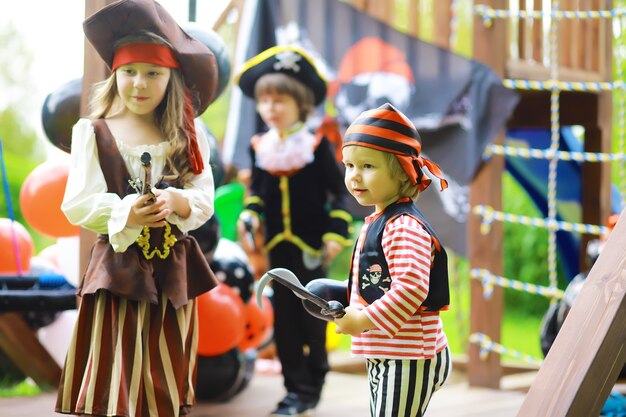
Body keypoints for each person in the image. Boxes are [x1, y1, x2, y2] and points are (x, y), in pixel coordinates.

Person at [55, 1, 220, 416]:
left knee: (164, 371)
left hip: (173, 273)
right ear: (114, 75)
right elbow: (78, 202)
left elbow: (203, 194)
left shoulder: (187, 131)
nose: (140, 84)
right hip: (119, 274)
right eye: (129, 72)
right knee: (118, 369)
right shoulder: (93, 132)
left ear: (171, 78)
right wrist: (126, 211)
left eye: (153, 73)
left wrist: (177, 200)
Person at [234, 45, 353, 416]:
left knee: (313, 318)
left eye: (279, 99)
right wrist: (250, 216)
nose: (271, 107)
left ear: (300, 103)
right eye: (264, 100)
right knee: (283, 320)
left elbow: (340, 194)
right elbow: (258, 193)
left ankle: (314, 380)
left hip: (311, 249)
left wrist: (335, 234)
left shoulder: (315, 146)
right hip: (276, 251)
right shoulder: (261, 148)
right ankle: (294, 390)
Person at [335, 103, 452, 417]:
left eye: (368, 166)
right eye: (349, 165)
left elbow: (411, 288)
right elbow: (376, 282)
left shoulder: (403, 227)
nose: (355, 176)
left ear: (403, 172)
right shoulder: (380, 220)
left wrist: (362, 320)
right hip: (392, 352)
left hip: (410, 355)